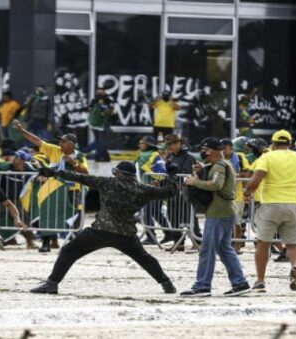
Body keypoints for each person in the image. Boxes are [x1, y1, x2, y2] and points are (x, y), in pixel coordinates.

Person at [30, 161, 178, 295]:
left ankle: (52, 284)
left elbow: (80, 177)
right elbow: (170, 192)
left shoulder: (107, 183)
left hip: (101, 231)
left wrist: (54, 173)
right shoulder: (143, 189)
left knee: (69, 251)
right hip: (126, 234)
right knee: (146, 259)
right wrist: (172, 175)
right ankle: (167, 284)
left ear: (118, 173)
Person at [244, 130, 296, 292]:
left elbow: (255, 180)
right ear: (290, 143)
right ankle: (295, 266)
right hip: (295, 204)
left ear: (273, 143)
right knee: (292, 244)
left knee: (263, 243)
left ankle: (260, 281)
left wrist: (247, 194)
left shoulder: (267, 157)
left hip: (271, 204)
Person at [181, 138, 250, 297]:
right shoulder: (220, 165)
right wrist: (201, 172)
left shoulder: (220, 165)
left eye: (204, 149)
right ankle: (240, 283)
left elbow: (216, 185)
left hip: (218, 213)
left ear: (210, 150)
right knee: (224, 249)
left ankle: (202, 286)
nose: (203, 151)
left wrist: (195, 181)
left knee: (207, 249)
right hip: (223, 212)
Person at [12, 119, 88, 252]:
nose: (60, 144)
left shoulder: (80, 156)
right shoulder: (56, 151)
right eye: (60, 141)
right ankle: (46, 243)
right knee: (47, 214)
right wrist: (22, 131)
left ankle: (76, 243)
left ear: (71, 144)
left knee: (74, 215)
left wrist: (73, 163)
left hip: (72, 190)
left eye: (63, 142)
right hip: (51, 190)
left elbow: (85, 172)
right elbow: (38, 141)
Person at [162, 134, 199, 249]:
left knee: (189, 217)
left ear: (179, 143)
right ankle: (178, 242)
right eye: (168, 144)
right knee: (173, 217)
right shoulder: (171, 157)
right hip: (173, 192)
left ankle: (197, 241)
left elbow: (187, 174)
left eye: (172, 143)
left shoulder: (188, 157)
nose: (170, 146)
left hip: (185, 192)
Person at [136, 136, 169, 245]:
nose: (139, 145)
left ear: (147, 145)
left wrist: (155, 181)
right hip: (154, 189)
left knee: (146, 213)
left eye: (142, 143)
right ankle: (170, 233)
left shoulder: (146, 155)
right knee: (155, 212)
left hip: (149, 189)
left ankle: (151, 236)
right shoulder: (155, 154)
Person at [221, 138, 250, 254]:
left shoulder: (239, 157)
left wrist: (234, 174)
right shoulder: (219, 158)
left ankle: (237, 245)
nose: (223, 151)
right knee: (222, 221)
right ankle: (225, 244)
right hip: (222, 195)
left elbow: (247, 172)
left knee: (236, 222)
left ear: (230, 147)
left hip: (237, 195)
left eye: (225, 148)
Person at [85, 88, 115, 162]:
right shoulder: (95, 100)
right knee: (100, 140)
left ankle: (101, 156)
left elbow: (111, 110)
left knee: (101, 140)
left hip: (103, 123)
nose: (99, 94)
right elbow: (90, 109)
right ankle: (101, 156)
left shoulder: (108, 100)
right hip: (96, 123)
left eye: (101, 92)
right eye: (98, 92)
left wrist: (104, 109)